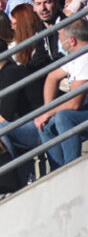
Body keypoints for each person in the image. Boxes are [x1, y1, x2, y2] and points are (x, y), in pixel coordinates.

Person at [36, 20, 88, 167]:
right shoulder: (76, 56)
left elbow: (74, 103)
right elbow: (52, 77)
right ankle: (58, 170)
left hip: (82, 110)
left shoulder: (85, 58)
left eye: (60, 40)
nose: (59, 44)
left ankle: (71, 167)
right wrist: (48, 110)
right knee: (46, 126)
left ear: (72, 41)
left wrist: (49, 112)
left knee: (63, 117)